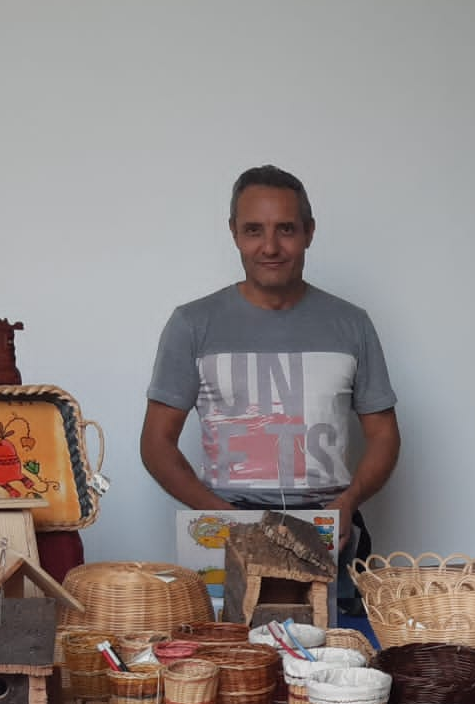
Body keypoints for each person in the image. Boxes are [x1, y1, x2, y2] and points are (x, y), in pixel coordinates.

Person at [140, 165, 400, 595]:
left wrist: (347, 503)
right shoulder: (192, 324)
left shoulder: (352, 324)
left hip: (325, 525)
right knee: (228, 656)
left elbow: (385, 436)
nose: (270, 246)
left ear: (309, 232)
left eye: (286, 229)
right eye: (253, 230)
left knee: (327, 652)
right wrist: (223, 518)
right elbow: (155, 443)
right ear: (234, 233)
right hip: (225, 525)